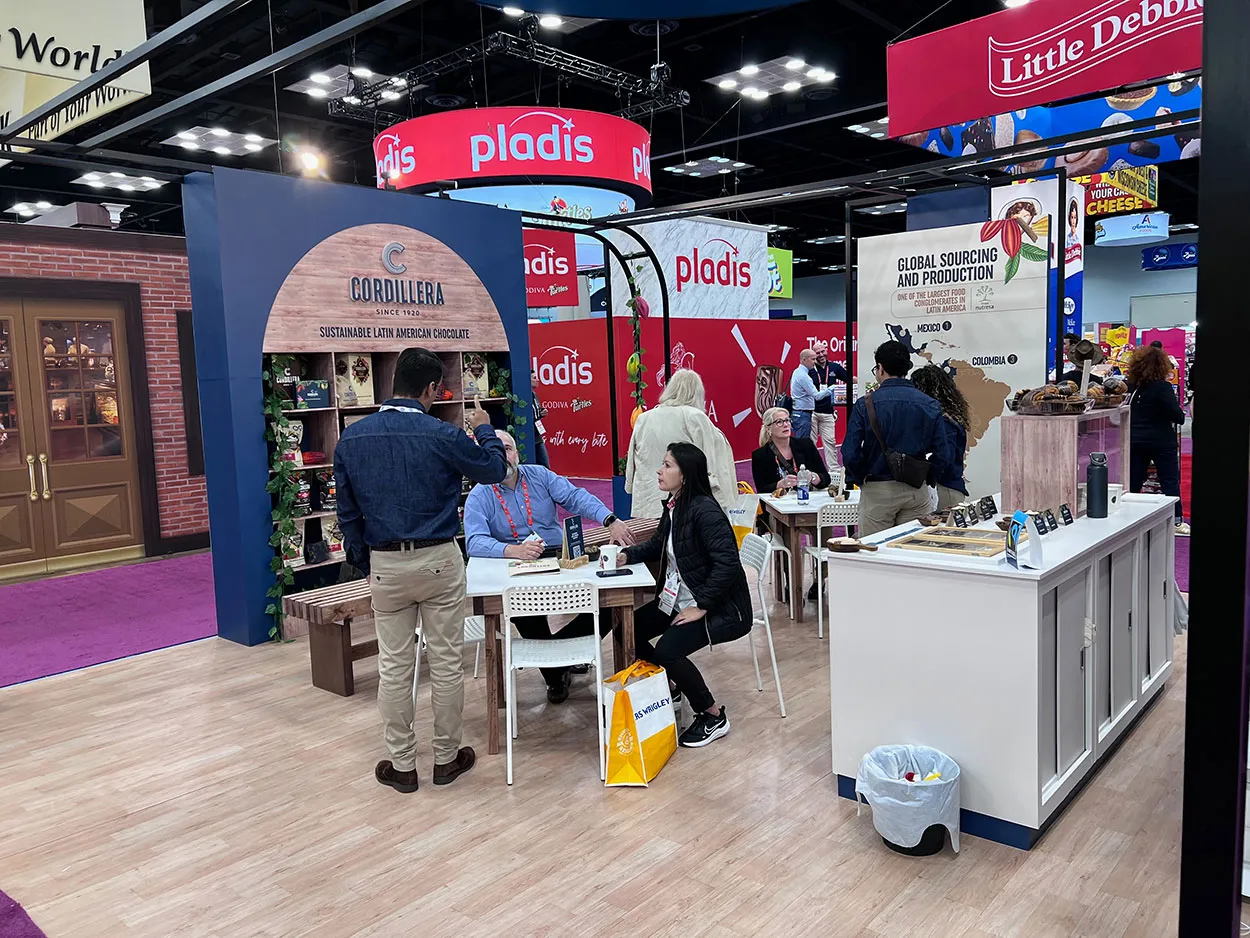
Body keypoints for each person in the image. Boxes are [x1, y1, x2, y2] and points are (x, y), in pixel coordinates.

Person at [335, 348, 508, 794]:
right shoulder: (442, 435)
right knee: (447, 662)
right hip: (438, 559)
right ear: (431, 389)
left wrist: (366, 559)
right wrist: (484, 427)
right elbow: (493, 469)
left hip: (385, 564)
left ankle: (403, 764)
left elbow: (348, 514)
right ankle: (447, 760)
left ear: (394, 382)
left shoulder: (351, 439)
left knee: (395, 667)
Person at [464, 430, 634, 702]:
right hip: (516, 567)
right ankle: (557, 673)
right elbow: (474, 542)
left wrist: (610, 519)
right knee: (520, 608)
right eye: (494, 451)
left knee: (610, 603)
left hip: (558, 559)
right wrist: (512, 550)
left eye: (507, 448)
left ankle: (556, 667)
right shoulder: (479, 494)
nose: (503, 456)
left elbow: (576, 497)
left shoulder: (539, 476)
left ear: (517, 452)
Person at [619, 442, 752, 748]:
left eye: (667, 465)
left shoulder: (704, 510)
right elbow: (657, 545)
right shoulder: (675, 504)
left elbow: (728, 564)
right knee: (628, 629)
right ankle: (671, 683)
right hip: (680, 598)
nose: (659, 470)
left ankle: (712, 714)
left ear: (686, 474)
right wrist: (627, 555)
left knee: (668, 650)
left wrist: (702, 606)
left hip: (724, 608)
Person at [841, 341, 952, 537]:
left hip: (877, 489)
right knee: (912, 554)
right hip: (916, 490)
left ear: (880, 368)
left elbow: (850, 452)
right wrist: (926, 475)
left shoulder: (865, 404)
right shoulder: (929, 404)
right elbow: (942, 453)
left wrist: (862, 477)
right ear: (906, 369)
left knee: (874, 552)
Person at [625, 368, 736, 519]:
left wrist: (630, 486)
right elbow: (709, 462)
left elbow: (632, 460)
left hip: (648, 499)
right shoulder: (695, 417)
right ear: (697, 392)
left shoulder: (644, 418)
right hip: (688, 502)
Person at [1126, 345, 1188, 535]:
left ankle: (1129, 519)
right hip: (1161, 441)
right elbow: (1178, 416)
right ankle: (1176, 521)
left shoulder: (1133, 387)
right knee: (1169, 480)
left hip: (1135, 439)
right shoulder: (1162, 387)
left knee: (1134, 481)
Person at [910, 365, 971, 511]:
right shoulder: (950, 416)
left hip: (944, 490)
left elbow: (945, 457)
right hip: (948, 487)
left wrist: (925, 471)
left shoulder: (944, 421)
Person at [751, 406, 831, 495]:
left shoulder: (806, 445)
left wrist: (813, 477)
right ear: (768, 428)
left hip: (808, 501)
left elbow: (826, 479)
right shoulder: (760, 455)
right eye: (779, 422)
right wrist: (780, 484)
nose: (785, 425)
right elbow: (761, 491)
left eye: (787, 420)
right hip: (779, 505)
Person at [810, 342, 851, 472]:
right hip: (811, 412)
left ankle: (834, 470)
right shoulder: (809, 369)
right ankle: (812, 470)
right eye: (817, 353)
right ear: (813, 355)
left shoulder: (834, 367)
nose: (821, 355)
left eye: (823, 351)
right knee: (810, 443)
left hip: (828, 412)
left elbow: (850, 379)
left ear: (826, 350)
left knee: (830, 442)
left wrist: (865, 383)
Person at [789, 348, 831, 441]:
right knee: (802, 444)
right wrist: (831, 389)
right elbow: (817, 396)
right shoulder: (803, 376)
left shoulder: (797, 372)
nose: (815, 362)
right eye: (812, 359)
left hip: (799, 413)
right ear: (804, 360)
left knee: (800, 442)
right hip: (803, 414)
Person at [531, 371, 551, 469]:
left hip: (537, 436)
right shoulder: (524, 396)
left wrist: (542, 412)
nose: (537, 380)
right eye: (534, 378)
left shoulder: (534, 395)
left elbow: (537, 410)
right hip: (529, 436)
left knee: (545, 465)